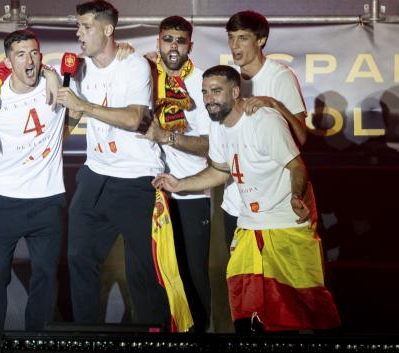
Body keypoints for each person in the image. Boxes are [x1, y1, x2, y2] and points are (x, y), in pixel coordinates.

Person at [152, 65, 341, 333]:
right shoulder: (217, 126)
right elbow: (220, 170)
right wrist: (180, 184)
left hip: (285, 225)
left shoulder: (264, 121)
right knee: (247, 312)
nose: (209, 99)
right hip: (249, 228)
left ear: (236, 91)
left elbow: (297, 166)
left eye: (216, 91)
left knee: (304, 312)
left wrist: (297, 197)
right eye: (205, 92)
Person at [56, 0, 171, 328]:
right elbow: (74, 113)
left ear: (108, 29)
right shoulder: (78, 67)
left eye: (86, 27)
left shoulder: (133, 65)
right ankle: (86, 333)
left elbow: (137, 118)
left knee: (147, 268)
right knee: (78, 258)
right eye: (77, 27)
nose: (79, 34)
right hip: (95, 174)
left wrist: (84, 105)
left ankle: (159, 332)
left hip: (136, 179)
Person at [0, 29, 71, 349]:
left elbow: (85, 66)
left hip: (47, 201)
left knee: (45, 277)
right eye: (21, 54)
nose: (29, 60)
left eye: (34, 53)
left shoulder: (56, 85)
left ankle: (37, 342)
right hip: (1, 201)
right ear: (8, 61)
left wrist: (51, 73)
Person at [138, 16, 212, 331]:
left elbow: (212, 146)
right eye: (167, 39)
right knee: (153, 273)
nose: (173, 46)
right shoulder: (144, 73)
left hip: (190, 193)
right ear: (158, 42)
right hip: (152, 191)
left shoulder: (202, 83)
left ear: (189, 45)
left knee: (192, 274)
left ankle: (198, 337)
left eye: (180, 41)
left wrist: (165, 136)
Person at [222, 10, 309, 249]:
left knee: (281, 284)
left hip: (274, 208)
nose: (234, 45)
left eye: (242, 37)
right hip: (236, 203)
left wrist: (275, 104)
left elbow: (301, 137)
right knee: (241, 282)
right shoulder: (229, 81)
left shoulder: (280, 77)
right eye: (231, 37)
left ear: (261, 40)